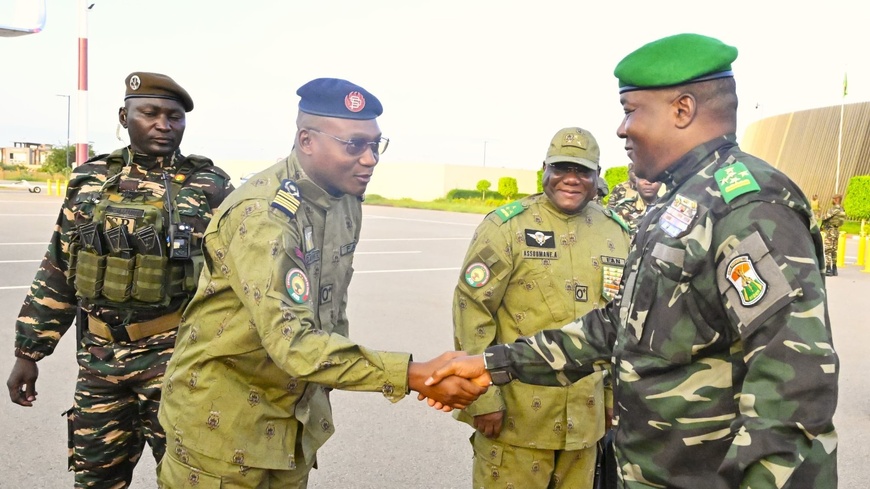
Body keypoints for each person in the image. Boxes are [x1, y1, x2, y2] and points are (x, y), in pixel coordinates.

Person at [427, 33, 838, 489]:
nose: (622, 129)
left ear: (682, 110)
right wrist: (492, 364)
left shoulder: (747, 205)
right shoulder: (677, 203)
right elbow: (620, 325)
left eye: (630, 110)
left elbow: (793, 382)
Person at [155, 77, 487, 488]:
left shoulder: (345, 200)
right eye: (354, 145)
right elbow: (292, 341)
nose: (370, 159)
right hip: (222, 431)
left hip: (292, 426)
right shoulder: (265, 215)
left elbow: (330, 308)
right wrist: (413, 373)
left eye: (375, 145)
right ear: (307, 140)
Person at [5, 71, 235, 487]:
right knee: (95, 479)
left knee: (193, 477)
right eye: (150, 113)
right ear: (124, 116)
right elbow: (59, 266)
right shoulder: (90, 180)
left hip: (177, 360)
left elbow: (236, 278)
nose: (164, 124)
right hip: (99, 359)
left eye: (175, 116)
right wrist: (29, 353)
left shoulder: (210, 186)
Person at [453, 127, 630, 489]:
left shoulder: (617, 232)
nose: (571, 179)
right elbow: (472, 312)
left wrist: (612, 397)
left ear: (597, 176)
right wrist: (483, 398)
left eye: (582, 170)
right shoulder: (507, 227)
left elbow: (619, 324)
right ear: (544, 169)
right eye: (562, 167)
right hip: (516, 420)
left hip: (585, 423)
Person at [820, 193, 847, 276]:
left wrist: (822, 217)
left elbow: (825, 217)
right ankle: (834, 269)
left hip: (830, 231)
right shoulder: (842, 209)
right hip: (836, 231)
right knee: (834, 250)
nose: (832, 200)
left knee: (828, 250)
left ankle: (828, 269)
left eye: (833, 199)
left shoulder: (834, 209)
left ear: (836, 200)